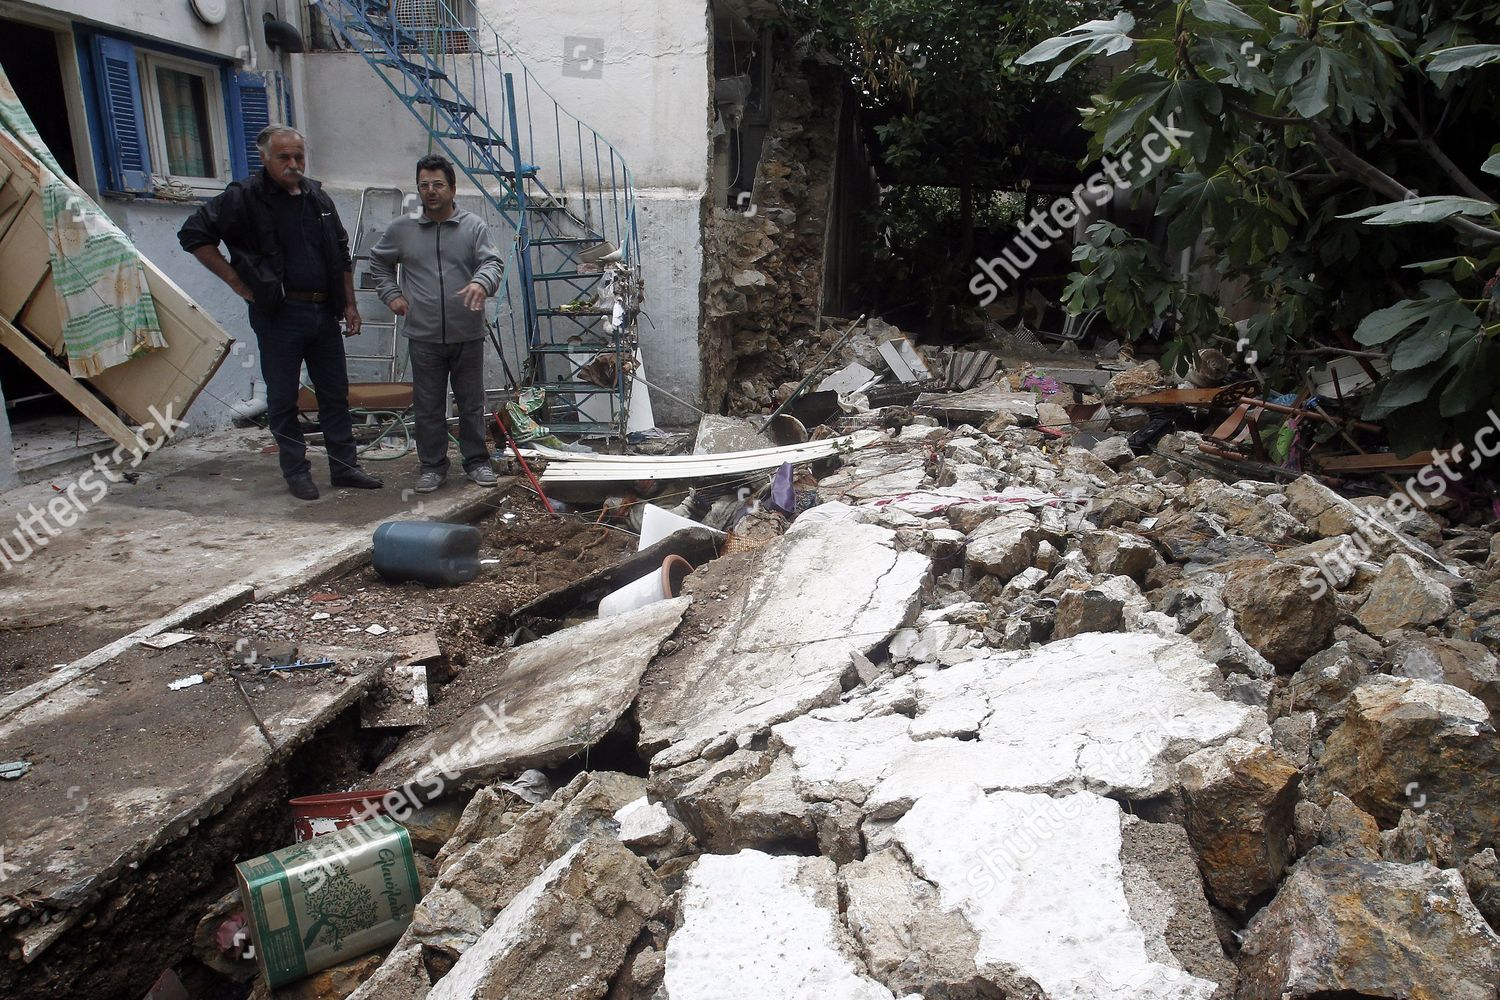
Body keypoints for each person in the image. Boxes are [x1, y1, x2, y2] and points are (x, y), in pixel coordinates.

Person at [178, 125, 383, 500]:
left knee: (335, 393)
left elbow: (341, 252)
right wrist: (239, 285)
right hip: (280, 314)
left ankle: (345, 467)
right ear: (265, 158)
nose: (293, 164)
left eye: (299, 157)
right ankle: (297, 471)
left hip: (324, 311)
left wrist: (350, 304)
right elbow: (194, 235)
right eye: (284, 157)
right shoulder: (243, 198)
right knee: (283, 397)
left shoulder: (316, 197)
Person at [367, 154, 504, 493]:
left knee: (471, 404)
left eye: (438, 184)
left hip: (467, 333)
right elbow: (378, 265)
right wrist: (391, 295)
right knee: (428, 406)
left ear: (453, 189)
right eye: (424, 185)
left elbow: (492, 263)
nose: (431, 191)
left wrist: (480, 283)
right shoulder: (402, 230)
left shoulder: (473, 227)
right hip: (423, 335)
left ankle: (476, 461)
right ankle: (432, 466)